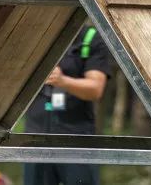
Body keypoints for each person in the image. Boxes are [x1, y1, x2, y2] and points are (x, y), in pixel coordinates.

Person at [23, 24, 112, 185]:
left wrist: (62, 81)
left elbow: (96, 89)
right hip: (36, 138)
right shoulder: (33, 33)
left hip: (76, 138)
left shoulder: (91, 37)